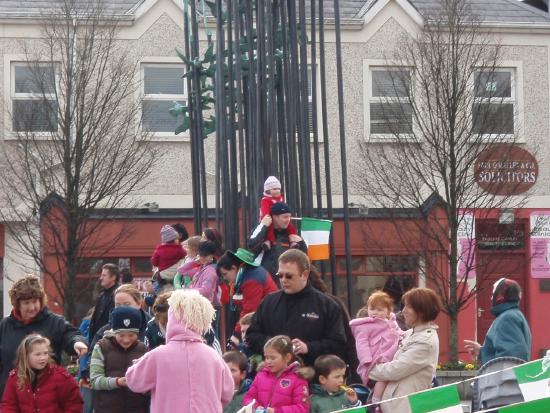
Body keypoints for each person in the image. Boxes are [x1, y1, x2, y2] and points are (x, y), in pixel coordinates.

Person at [126, 289, 234, 413]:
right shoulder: (213, 356)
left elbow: (134, 381)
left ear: (172, 318)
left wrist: (139, 362)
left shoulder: (158, 355)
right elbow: (227, 393)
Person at [246, 250, 347, 367]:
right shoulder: (269, 302)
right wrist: (275, 345)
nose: (283, 280)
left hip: (311, 376)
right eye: (280, 275)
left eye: (289, 276)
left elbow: (338, 343)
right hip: (274, 376)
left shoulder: (327, 305)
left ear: (304, 275)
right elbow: (252, 336)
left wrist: (308, 347)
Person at [0, 276, 88, 397]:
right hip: (13, 397)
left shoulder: (54, 322)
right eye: (26, 303)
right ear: (17, 304)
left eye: (35, 301)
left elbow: (71, 334)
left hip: (47, 398)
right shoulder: (5, 326)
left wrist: (76, 342)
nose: (32, 307)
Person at [368, 288, 442, 413]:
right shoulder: (411, 334)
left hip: (406, 407)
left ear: (422, 311)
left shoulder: (425, 341)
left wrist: (368, 370)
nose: (403, 311)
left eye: (408, 307)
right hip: (396, 405)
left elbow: (395, 370)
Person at [0, 334, 83, 412]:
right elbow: (8, 405)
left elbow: (74, 404)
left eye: (45, 353)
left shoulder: (62, 377)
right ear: (26, 355)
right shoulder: (15, 377)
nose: (43, 358)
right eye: (38, 354)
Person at [90, 306, 149, 413]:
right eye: (121, 335)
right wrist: (117, 382)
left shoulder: (143, 350)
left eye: (131, 335)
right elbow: (94, 381)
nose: (126, 340)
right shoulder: (101, 347)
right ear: (114, 332)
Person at [350, 291, 404, 402]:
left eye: (380, 310)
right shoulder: (364, 326)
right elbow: (361, 343)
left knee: (390, 379)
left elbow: (398, 331)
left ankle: (380, 399)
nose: (375, 312)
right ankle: (376, 400)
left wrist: (404, 335)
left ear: (388, 311)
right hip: (377, 358)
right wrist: (366, 359)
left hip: (392, 354)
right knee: (382, 378)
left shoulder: (391, 322)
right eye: (372, 309)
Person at [464, 278, 532, 365]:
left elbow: (510, 359)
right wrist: (481, 352)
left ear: (500, 296)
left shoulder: (507, 318)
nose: (491, 298)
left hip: (505, 378)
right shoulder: (514, 315)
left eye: (493, 294)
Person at [243, 335, 310, 413]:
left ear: (287, 357)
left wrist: (277, 411)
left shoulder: (298, 379)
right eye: (266, 357)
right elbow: (248, 398)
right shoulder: (261, 375)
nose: (268, 361)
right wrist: (256, 408)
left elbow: (302, 408)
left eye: (272, 358)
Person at [248, 202, 307, 284]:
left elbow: (304, 257)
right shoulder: (263, 231)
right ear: (275, 217)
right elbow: (251, 245)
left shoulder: (291, 234)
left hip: (286, 282)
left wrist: (301, 243)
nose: (288, 220)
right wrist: (263, 226)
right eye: (285, 217)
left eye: (290, 216)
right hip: (264, 282)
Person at [217, 248, 278, 318]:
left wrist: (237, 329)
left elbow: (249, 313)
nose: (224, 278)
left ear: (233, 268)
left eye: (225, 274)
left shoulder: (252, 280)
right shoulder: (246, 275)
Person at [259, 176, 298, 250]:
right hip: (269, 218)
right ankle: (268, 241)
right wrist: (268, 218)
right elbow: (265, 211)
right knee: (269, 229)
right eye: (274, 189)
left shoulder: (281, 198)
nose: (277, 191)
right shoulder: (265, 199)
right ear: (268, 190)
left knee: (290, 226)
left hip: (279, 218)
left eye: (278, 189)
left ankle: (292, 239)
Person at [88, 264, 119, 345]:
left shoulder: (118, 295)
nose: (101, 278)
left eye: (104, 275)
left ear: (113, 277)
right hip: (97, 342)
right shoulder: (101, 295)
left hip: (110, 343)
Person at [151, 225, 186, 291]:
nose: (178, 240)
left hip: (163, 275)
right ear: (174, 240)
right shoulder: (180, 249)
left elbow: (154, 262)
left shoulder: (159, 250)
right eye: (177, 239)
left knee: (163, 288)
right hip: (176, 274)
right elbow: (185, 257)